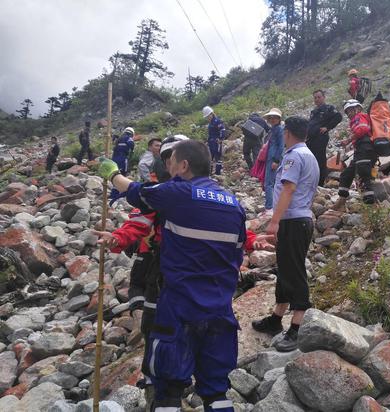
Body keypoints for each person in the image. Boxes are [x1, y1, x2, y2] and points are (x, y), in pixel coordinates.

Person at [97, 139, 246, 412]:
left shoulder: (178, 192)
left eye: (172, 161)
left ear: (184, 165)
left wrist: (112, 173)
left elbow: (135, 192)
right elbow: (237, 256)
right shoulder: (234, 204)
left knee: (167, 389)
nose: (169, 166)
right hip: (220, 312)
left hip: (180, 309)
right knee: (216, 391)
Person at [252, 116, 319, 352]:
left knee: (295, 271)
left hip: (293, 220)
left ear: (288, 133)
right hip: (301, 219)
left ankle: (298, 326)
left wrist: (275, 221)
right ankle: (276, 318)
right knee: (286, 269)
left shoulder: (293, 156)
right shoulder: (309, 155)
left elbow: (288, 188)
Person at [332, 99, 377, 211]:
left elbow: (362, 129)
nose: (349, 113)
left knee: (363, 175)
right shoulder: (360, 118)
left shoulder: (359, 116)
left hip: (365, 149)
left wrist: (348, 140)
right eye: (347, 111)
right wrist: (350, 143)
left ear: (358, 108)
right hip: (361, 150)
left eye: (351, 110)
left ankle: (370, 207)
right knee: (347, 174)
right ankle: (342, 200)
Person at [306, 90, 343, 186]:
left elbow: (338, 117)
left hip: (320, 138)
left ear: (323, 97)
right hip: (310, 139)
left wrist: (328, 127)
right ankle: (311, 180)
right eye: (315, 97)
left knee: (319, 159)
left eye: (319, 97)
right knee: (309, 159)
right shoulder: (314, 111)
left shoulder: (328, 108)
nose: (317, 99)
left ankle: (320, 183)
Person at [263, 108, 284, 216]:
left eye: (274, 117)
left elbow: (281, 146)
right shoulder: (273, 129)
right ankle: (273, 206)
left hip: (273, 159)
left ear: (279, 118)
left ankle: (269, 208)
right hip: (270, 158)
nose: (272, 119)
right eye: (270, 117)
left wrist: (276, 160)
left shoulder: (279, 129)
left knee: (269, 184)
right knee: (272, 183)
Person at [203, 106, 226, 175]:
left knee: (217, 157)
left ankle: (218, 173)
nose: (207, 118)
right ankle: (209, 172)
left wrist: (221, 139)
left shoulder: (217, 121)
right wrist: (208, 141)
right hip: (211, 142)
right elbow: (210, 133)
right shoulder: (210, 123)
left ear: (211, 114)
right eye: (206, 117)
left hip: (217, 142)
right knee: (210, 157)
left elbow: (223, 130)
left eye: (208, 116)